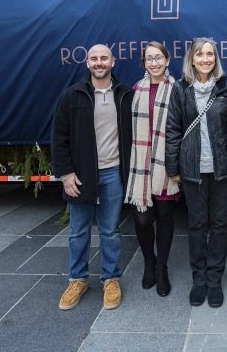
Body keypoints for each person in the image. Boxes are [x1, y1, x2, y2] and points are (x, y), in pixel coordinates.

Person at [52, 44, 133, 311]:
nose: (99, 63)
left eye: (104, 58)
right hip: (81, 176)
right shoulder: (72, 96)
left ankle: (111, 278)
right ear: (87, 63)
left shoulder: (125, 95)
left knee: (110, 230)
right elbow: (59, 139)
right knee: (78, 231)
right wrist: (66, 174)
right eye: (94, 59)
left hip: (114, 173)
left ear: (113, 61)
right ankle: (77, 279)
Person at [165, 37, 227, 308]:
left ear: (215, 58)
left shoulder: (226, 87)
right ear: (191, 59)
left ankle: (214, 280)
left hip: (221, 169)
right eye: (200, 54)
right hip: (192, 168)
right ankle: (199, 279)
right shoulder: (181, 89)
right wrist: (173, 167)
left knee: (219, 225)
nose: (206, 59)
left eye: (210, 54)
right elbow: (173, 129)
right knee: (196, 225)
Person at [124, 42, 180, 297]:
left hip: (165, 165)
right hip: (141, 165)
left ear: (167, 60)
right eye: (149, 59)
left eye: (159, 58)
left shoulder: (177, 89)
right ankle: (149, 261)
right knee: (143, 218)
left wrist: (176, 163)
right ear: (144, 63)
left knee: (165, 216)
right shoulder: (136, 89)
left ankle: (162, 269)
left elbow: (180, 128)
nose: (154, 62)